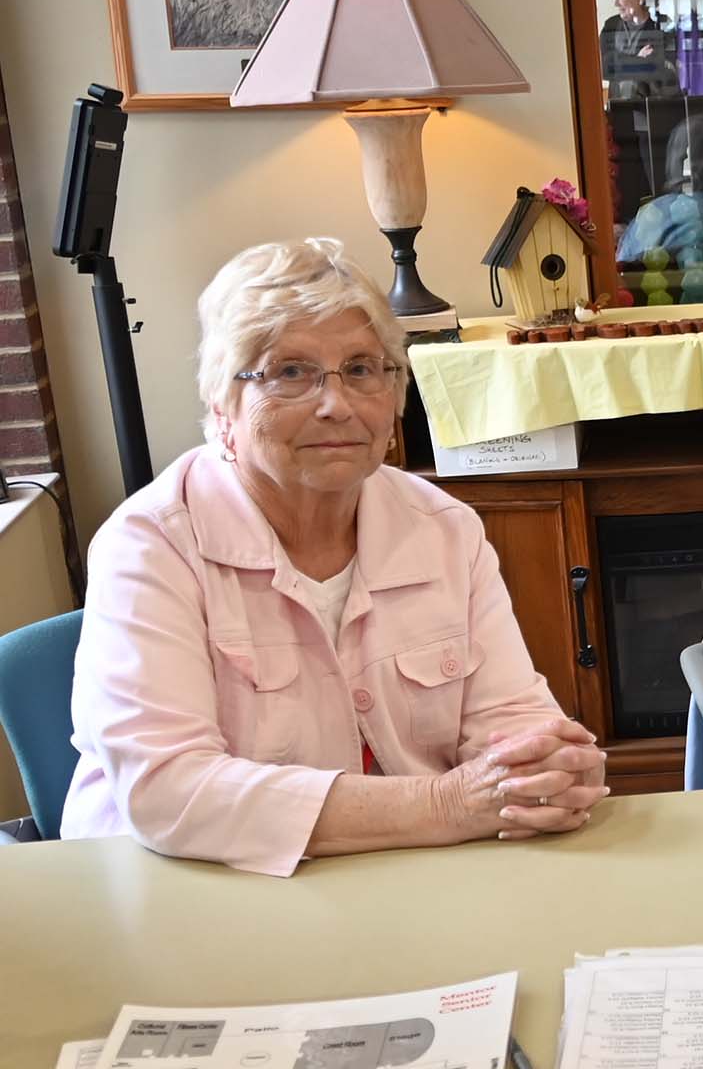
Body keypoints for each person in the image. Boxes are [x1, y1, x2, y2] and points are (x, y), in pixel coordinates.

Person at [61, 239, 609, 876]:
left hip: (402, 881)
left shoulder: (444, 530)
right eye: (289, 372)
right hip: (185, 892)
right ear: (222, 405)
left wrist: (545, 766)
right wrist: (446, 804)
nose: (337, 404)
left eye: (361, 369)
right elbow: (170, 793)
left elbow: (510, 720)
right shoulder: (150, 547)